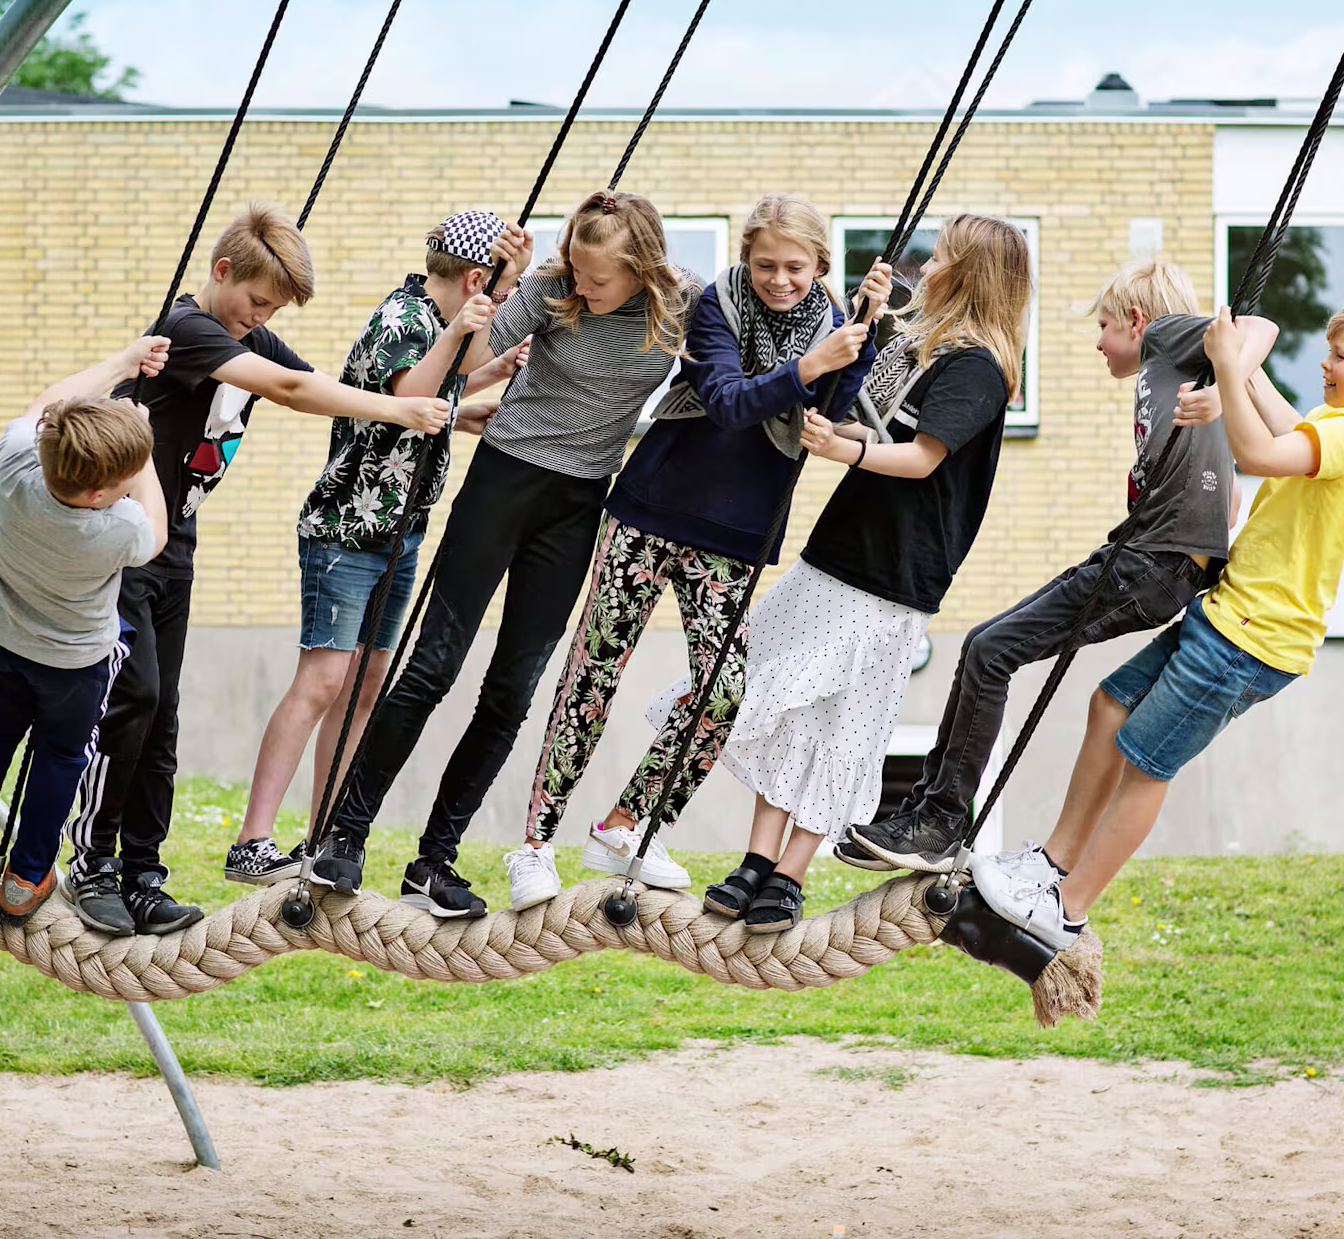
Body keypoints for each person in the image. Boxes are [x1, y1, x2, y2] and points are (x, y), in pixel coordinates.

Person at [967, 301, 1344, 948]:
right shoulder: (1338, 426)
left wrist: (1223, 367)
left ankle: (1067, 910)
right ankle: (1053, 861)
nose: (1325, 364)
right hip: (1226, 618)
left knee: (1145, 765)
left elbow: (1260, 452)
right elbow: (1279, 420)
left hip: (1252, 640)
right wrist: (1235, 379)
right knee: (1109, 706)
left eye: (1341, 357)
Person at [310, 189, 702, 919]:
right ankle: (345, 837)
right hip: (504, 481)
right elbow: (476, 361)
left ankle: (435, 862)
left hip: (579, 503)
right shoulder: (549, 288)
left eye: (599, 279)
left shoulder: (679, 306)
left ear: (642, 268)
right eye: (577, 272)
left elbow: (746, 334)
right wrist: (494, 294)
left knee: (512, 692)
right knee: (432, 667)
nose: (583, 287)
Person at [63, 203, 451, 937]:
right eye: (257, 302)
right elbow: (296, 392)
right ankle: (93, 865)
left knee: (164, 709)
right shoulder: (189, 329)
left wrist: (453, 408)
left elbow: (343, 399)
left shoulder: (245, 331)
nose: (261, 318)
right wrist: (406, 415)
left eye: (271, 310)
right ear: (221, 273)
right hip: (119, 542)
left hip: (174, 546)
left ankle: (143, 872)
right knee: (133, 697)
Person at [503, 194, 891, 909]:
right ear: (746, 257)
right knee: (593, 674)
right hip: (652, 510)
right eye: (766, 264)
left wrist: (861, 337)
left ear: (820, 266)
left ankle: (628, 824)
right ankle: (535, 846)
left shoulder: (834, 325)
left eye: (795, 267)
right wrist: (811, 363)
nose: (779, 279)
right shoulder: (717, 303)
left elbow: (824, 419)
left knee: (724, 693)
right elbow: (727, 400)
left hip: (738, 535)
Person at [846, 258, 1268, 873]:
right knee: (983, 645)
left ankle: (937, 822)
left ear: (1135, 319)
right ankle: (926, 814)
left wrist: (1224, 381)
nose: (1099, 341)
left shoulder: (1166, 339)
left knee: (992, 651)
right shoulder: (1169, 373)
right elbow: (1223, 497)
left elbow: (1257, 328)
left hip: (1148, 564)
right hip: (1145, 559)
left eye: (1104, 325)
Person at [703, 214, 1027, 933]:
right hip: (840, 550)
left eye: (941, 256)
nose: (928, 264)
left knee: (846, 724)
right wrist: (864, 333)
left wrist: (841, 453)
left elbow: (920, 460)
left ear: (967, 272)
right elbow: (870, 426)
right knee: (785, 700)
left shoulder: (977, 368)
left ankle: (792, 872)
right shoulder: (921, 346)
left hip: (897, 572)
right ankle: (758, 859)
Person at [225, 210, 534, 884]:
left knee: (366, 684)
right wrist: (465, 350)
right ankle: (252, 841)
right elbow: (408, 392)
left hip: (399, 534)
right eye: (505, 296)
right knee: (324, 678)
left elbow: (442, 387)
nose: (505, 307)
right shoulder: (405, 316)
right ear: (478, 280)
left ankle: (322, 834)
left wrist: (489, 377)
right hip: (347, 530)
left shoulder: (434, 323)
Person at [0, 336, 170, 918]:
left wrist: (121, 365)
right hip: (71, 667)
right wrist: (147, 458)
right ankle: (26, 880)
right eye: (121, 482)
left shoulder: (13, 461)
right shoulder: (114, 529)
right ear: (97, 493)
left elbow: (47, 402)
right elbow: (157, 534)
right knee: (61, 758)